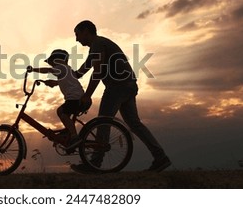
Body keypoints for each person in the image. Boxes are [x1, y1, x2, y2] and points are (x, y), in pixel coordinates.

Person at [71, 20, 171, 173]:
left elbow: (97, 72)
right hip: (128, 85)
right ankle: (161, 157)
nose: (77, 39)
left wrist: (87, 95)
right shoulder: (97, 47)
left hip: (117, 87)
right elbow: (79, 73)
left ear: (86, 31)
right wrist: (58, 75)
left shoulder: (98, 44)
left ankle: (95, 163)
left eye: (77, 34)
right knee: (134, 124)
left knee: (103, 121)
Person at [29, 49, 87, 150]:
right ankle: (68, 132)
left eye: (52, 62)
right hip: (78, 98)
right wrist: (53, 83)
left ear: (58, 60)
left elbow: (48, 70)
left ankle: (74, 136)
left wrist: (33, 69)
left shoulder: (61, 67)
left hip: (74, 98)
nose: (52, 65)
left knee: (62, 112)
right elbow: (63, 81)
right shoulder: (68, 69)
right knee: (64, 113)